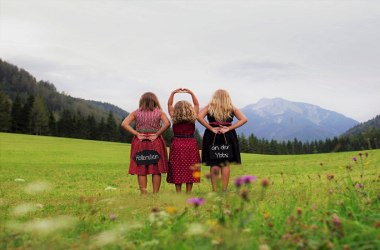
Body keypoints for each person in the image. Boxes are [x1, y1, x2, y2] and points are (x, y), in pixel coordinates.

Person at [198, 89, 247, 192]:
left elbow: (199, 117)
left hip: (212, 135)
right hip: (228, 135)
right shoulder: (231, 108)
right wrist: (229, 128)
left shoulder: (209, 107)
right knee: (225, 163)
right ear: (227, 97)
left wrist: (211, 128)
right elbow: (244, 119)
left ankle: (215, 190)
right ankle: (224, 190)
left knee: (214, 163)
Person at [121, 92, 170, 194]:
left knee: (141, 168)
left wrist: (136, 133)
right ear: (154, 101)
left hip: (140, 141)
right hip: (155, 141)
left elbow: (124, 123)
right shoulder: (159, 112)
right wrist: (157, 134)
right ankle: (155, 194)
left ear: (142, 101)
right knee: (156, 169)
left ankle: (143, 194)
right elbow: (167, 123)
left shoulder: (136, 112)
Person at [166, 88, 201, 192]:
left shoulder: (174, 116)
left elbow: (169, 105)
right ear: (189, 108)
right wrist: (191, 93)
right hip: (191, 143)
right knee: (191, 167)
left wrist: (173, 93)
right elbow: (197, 105)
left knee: (177, 167)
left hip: (177, 143)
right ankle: (188, 192)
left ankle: (178, 192)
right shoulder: (193, 115)